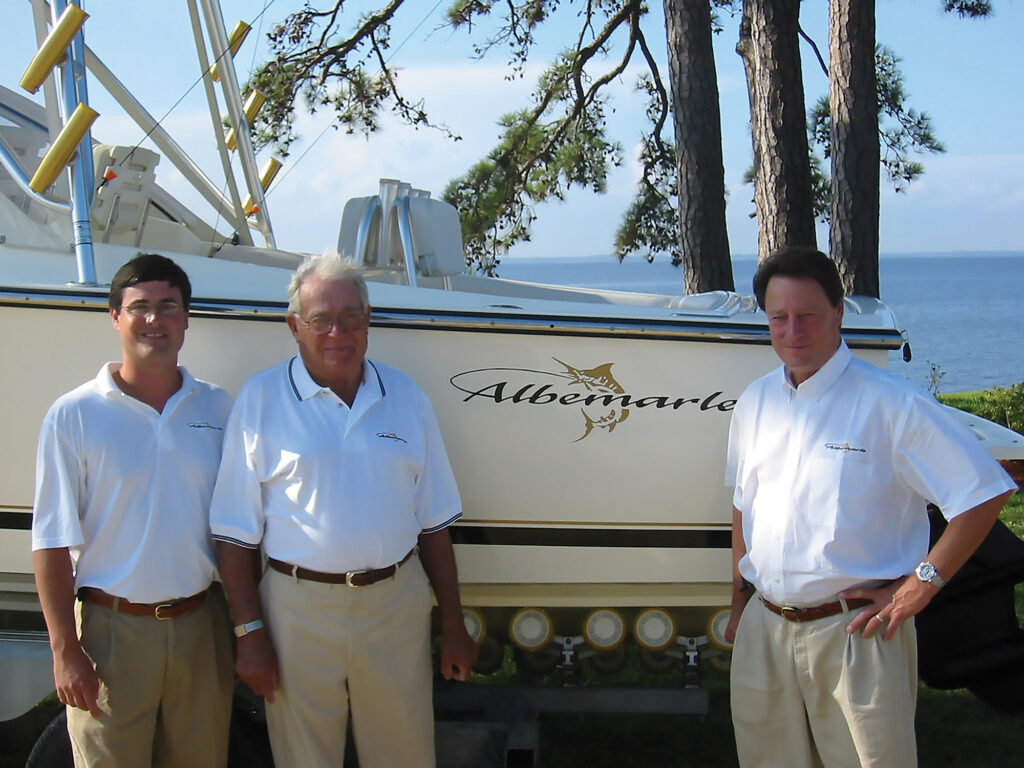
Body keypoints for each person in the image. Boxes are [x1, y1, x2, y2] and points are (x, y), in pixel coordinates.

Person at [724, 246, 1017, 768]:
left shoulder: (892, 405)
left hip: (856, 634)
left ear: (838, 311)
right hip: (764, 633)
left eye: (808, 316)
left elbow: (983, 493)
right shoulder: (755, 402)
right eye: (779, 318)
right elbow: (743, 503)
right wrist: (740, 596)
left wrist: (921, 585)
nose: (793, 331)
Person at [210, 253, 478, 768]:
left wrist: (454, 625)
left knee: (405, 754)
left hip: (394, 606)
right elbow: (233, 534)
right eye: (321, 319)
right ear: (294, 327)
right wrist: (249, 635)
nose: (339, 331)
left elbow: (434, 525)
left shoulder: (406, 396)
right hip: (296, 610)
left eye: (351, 316)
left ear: (368, 319)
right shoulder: (262, 399)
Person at [31, 253, 234, 768]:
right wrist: (64, 650)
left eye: (168, 307)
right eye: (139, 306)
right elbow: (50, 541)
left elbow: (239, 529)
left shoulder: (220, 409)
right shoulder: (74, 414)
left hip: (201, 626)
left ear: (186, 318)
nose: (154, 320)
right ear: (115, 317)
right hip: (109, 636)